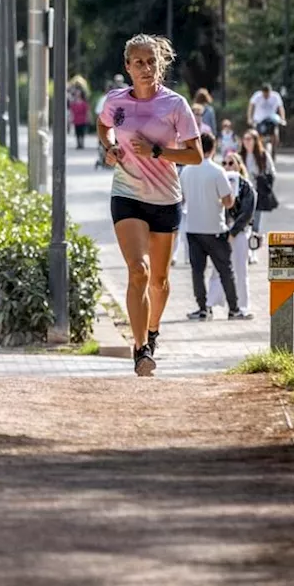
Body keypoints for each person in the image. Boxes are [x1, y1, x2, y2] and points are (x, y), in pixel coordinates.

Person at [96, 34, 203, 376]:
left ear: (160, 64)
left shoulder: (175, 105)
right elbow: (103, 125)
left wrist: (157, 152)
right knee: (138, 271)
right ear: (127, 67)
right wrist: (109, 147)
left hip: (165, 198)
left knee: (159, 281)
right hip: (126, 193)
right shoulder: (116, 101)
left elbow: (196, 155)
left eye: (152, 62)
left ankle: (152, 331)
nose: (146, 68)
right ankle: (141, 348)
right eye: (138, 62)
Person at [180, 131, 245, 321]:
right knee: (225, 270)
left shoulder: (186, 170)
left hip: (192, 228)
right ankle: (233, 309)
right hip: (215, 228)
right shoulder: (218, 171)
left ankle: (202, 309)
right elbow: (228, 201)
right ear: (213, 148)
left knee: (197, 271)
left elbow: (182, 197)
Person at [206, 153, 256, 317]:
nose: (228, 166)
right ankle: (209, 304)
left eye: (231, 163)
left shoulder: (246, 187)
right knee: (217, 269)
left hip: (239, 233)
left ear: (239, 165)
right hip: (221, 231)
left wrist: (233, 232)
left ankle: (242, 306)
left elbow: (247, 212)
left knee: (241, 270)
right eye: (225, 163)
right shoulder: (218, 184)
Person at [240, 129, 277, 263]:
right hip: (243, 195)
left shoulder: (262, 156)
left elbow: (272, 172)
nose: (246, 142)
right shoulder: (240, 156)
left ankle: (253, 252)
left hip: (258, 195)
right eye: (245, 139)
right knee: (244, 224)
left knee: (255, 226)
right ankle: (246, 251)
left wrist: (263, 179)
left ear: (256, 141)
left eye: (249, 139)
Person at [247, 82, 286, 156]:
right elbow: (251, 107)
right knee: (259, 136)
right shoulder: (257, 96)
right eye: (265, 94)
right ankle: (260, 150)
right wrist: (249, 118)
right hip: (259, 119)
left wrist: (283, 118)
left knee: (274, 133)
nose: (266, 96)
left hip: (271, 118)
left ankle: (273, 148)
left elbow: (280, 107)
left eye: (267, 94)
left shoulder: (275, 96)